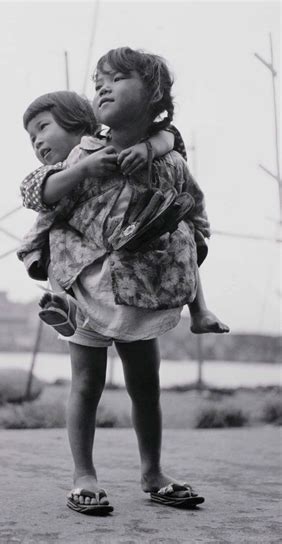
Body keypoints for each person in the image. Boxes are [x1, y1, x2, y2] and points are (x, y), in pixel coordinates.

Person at [19, 47, 227, 515]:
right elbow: (38, 191)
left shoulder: (170, 157)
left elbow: (190, 208)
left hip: (141, 290)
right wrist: (82, 168)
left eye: (115, 79)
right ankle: (83, 476)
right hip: (87, 286)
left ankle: (153, 473)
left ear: (153, 93)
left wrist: (156, 147)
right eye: (98, 84)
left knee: (145, 386)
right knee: (86, 384)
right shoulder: (86, 150)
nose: (103, 88)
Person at [18, 91, 229, 338]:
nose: (37, 141)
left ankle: (199, 310)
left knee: (182, 233)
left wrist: (146, 148)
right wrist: (82, 169)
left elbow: (170, 136)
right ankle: (64, 301)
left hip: (136, 228)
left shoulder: (113, 142)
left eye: (43, 127)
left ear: (76, 120)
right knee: (54, 240)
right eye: (32, 139)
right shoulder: (63, 169)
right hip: (86, 243)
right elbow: (34, 191)